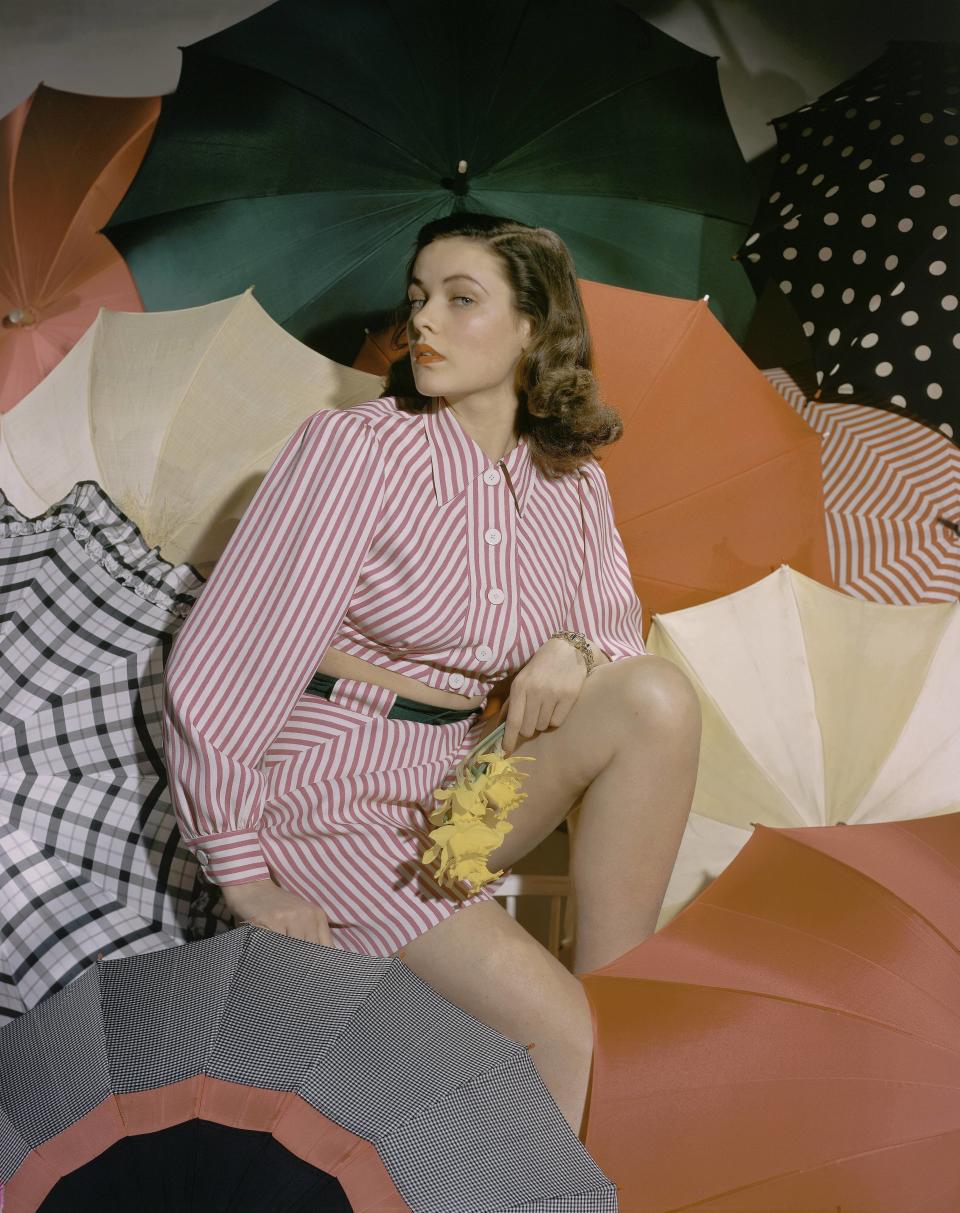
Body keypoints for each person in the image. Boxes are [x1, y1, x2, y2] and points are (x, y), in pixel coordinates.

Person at [161, 211, 701, 1140]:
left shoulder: (570, 480)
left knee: (655, 697)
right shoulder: (353, 451)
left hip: (455, 786)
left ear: (535, 327)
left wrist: (569, 648)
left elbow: (618, 637)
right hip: (332, 790)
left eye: (461, 299)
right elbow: (225, 664)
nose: (426, 323)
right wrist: (245, 877)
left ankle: (628, 1009)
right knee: (558, 1033)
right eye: (418, 299)